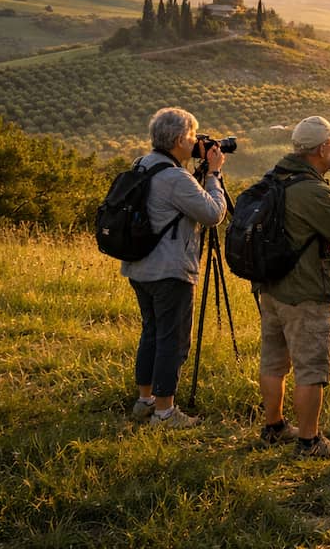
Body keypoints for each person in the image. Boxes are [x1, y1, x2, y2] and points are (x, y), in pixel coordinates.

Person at [257, 115, 330, 459]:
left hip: (272, 286)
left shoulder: (277, 176)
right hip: (305, 291)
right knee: (311, 368)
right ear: (321, 149)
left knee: (274, 361)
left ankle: (273, 427)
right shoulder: (311, 191)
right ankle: (309, 441)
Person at [122, 107, 228, 428]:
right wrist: (213, 175)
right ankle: (166, 413)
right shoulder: (175, 177)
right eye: (193, 136)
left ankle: (145, 401)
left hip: (139, 265)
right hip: (169, 270)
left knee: (151, 332)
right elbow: (213, 214)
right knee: (173, 339)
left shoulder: (142, 165)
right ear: (180, 139)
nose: (196, 141)